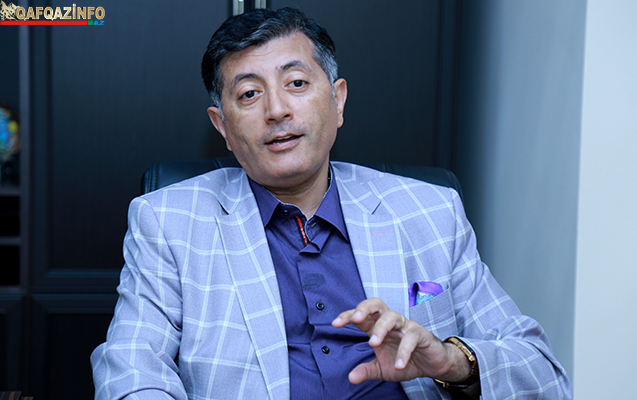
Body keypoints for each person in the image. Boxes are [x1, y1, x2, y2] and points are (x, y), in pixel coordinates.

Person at [91, 7, 572, 400]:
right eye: (250, 94)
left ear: (338, 101)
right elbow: (131, 368)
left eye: (297, 83)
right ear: (222, 127)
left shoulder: (429, 211)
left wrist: (450, 361)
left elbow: (544, 375)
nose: (277, 110)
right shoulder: (169, 221)